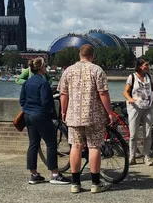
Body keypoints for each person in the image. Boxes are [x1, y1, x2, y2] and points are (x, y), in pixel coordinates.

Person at [57, 44, 115, 194]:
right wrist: (109, 112)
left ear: (79, 55)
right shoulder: (97, 70)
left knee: (76, 146)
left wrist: (63, 112)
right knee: (94, 146)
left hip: (74, 115)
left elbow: (64, 94)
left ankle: (75, 183)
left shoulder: (68, 71)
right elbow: (103, 93)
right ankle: (95, 183)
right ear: (92, 56)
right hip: (93, 115)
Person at [19, 57, 70, 185]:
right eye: (45, 66)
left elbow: (22, 100)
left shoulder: (27, 82)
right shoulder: (43, 83)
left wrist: (28, 109)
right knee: (51, 143)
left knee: (33, 144)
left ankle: (34, 174)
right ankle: (54, 174)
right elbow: (47, 102)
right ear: (41, 68)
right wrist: (53, 115)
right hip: (41, 115)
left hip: (28, 115)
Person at [122, 58, 153, 166]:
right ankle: (132, 157)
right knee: (133, 134)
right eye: (146, 65)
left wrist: (152, 101)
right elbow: (125, 92)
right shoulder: (132, 77)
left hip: (148, 108)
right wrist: (130, 99)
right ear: (140, 66)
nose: (148, 67)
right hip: (135, 108)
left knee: (147, 134)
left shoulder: (150, 77)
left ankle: (146, 156)